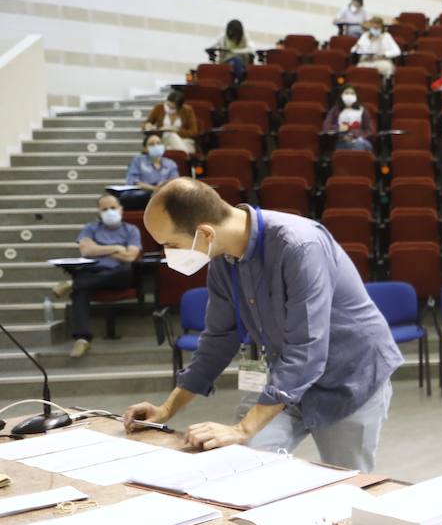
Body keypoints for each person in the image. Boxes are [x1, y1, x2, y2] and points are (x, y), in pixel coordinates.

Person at [123, 180, 402, 470]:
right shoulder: (222, 258)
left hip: (347, 379)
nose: (169, 256)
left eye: (171, 245)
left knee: (347, 480)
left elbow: (307, 351)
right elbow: (219, 339)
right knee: (245, 462)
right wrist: (167, 409)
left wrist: (242, 429)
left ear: (205, 232)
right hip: (284, 378)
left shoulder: (299, 246)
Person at [51, 194, 142, 358]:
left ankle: (73, 284)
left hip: (118, 277)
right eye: (105, 209)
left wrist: (98, 249)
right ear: (98, 212)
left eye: (113, 208)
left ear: (121, 209)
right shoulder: (90, 228)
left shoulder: (131, 230)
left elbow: (130, 257)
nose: (109, 212)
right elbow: (86, 251)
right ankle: (82, 339)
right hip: (93, 273)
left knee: (126, 269)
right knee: (82, 288)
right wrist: (116, 248)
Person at [123, 133, 180, 210]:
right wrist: (154, 189)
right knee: (126, 198)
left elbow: (174, 182)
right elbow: (133, 181)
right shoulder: (138, 160)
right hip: (143, 195)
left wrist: (162, 188)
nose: (156, 146)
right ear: (145, 148)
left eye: (158, 143)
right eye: (151, 144)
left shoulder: (171, 163)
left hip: (165, 194)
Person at [143, 90, 199, 157]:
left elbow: (194, 132)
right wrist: (148, 126)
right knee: (169, 136)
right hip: (163, 140)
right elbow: (147, 123)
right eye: (168, 105)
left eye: (172, 107)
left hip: (184, 141)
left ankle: (182, 155)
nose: (169, 108)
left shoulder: (188, 111)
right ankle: (185, 157)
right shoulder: (159, 108)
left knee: (170, 144)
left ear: (179, 107)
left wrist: (176, 131)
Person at [323, 85, 377, 150]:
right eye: (346, 93)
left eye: (352, 93)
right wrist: (341, 130)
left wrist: (355, 135)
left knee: (360, 144)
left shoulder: (362, 110)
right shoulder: (335, 110)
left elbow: (370, 130)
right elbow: (326, 127)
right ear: (341, 95)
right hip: (340, 140)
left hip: (360, 139)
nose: (349, 95)